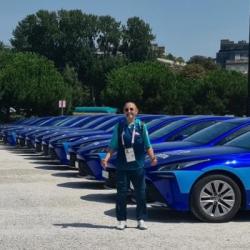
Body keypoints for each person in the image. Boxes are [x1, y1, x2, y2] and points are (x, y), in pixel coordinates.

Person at [101, 102, 157, 230]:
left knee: (141, 193)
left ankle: (141, 219)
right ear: (124, 112)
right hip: (122, 166)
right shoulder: (119, 126)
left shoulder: (142, 127)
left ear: (136, 111)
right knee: (121, 194)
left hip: (138, 166)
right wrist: (106, 158)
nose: (129, 111)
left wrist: (153, 158)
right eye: (126, 109)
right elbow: (113, 145)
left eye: (132, 109)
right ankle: (122, 220)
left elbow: (148, 145)